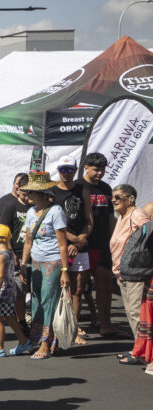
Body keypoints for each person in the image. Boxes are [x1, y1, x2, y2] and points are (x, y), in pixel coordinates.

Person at [19, 172, 72, 359]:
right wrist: (23, 264)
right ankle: (40, 340)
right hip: (36, 263)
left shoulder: (56, 211)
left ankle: (45, 343)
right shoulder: (31, 212)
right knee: (37, 301)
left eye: (31, 192)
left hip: (53, 262)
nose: (27, 195)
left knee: (48, 301)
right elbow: (28, 241)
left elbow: (62, 244)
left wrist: (65, 270)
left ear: (41, 193)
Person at [50, 156, 93, 344]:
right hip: (58, 246)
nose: (66, 173)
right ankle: (55, 330)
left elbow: (89, 220)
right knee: (57, 289)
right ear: (58, 170)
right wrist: (69, 240)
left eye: (69, 169)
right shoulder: (52, 191)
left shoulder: (82, 190)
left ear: (75, 171)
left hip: (79, 247)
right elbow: (50, 222)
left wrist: (78, 242)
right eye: (63, 169)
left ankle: (73, 330)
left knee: (77, 290)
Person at [109, 184, 152, 364]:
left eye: (118, 197)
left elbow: (149, 237)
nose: (113, 200)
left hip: (135, 272)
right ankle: (138, 348)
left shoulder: (137, 215)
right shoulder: (122, 216)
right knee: (132, 313)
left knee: (137, 314)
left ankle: (143, 353)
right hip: (124, 272)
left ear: (131, 199)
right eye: (112, 197)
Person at [79, 152, 117, 337]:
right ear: (86, 167)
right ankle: (73, 327)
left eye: (102, 170)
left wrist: (114, 240)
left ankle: (105, 326)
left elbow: (111, 217)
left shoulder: (105, 188)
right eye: (96, 170)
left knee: (105, 286)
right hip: (83, 245)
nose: (100, 173)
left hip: (102, 245)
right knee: (77, 288)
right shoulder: (77, 187)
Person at [0, 224, 31, 357]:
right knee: (9, 316)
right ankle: (23, 341)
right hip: (9, 290)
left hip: (1, 293)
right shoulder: (9, 254)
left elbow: (0, 277)